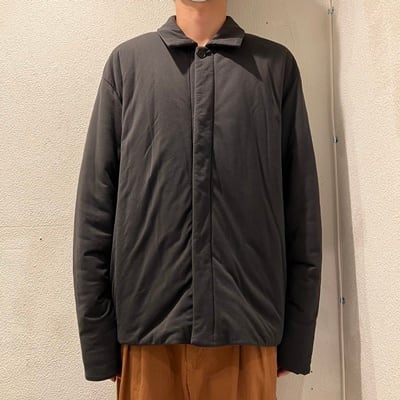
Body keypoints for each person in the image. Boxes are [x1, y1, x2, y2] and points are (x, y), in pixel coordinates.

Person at [72, 0, 322, 398]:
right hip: (148, 337)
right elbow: (94, 211)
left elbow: (301, 209)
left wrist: (297, 336)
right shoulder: (128, 66)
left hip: (246, 334)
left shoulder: (275, 68)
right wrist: (99, 340)